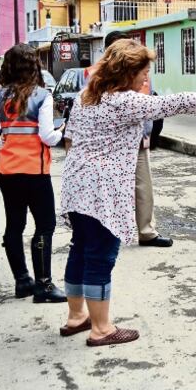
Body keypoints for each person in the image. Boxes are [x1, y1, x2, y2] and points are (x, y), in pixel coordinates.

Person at [59, 39, 196, 346]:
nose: (146, 78)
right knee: (100, 255)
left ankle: (76, 317)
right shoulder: (123, 101)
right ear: (127, 72)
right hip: (101, 188)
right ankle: (101, 328)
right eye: (143, 72)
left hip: (76, 183)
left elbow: (68, 139)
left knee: (81, 246)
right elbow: (172, 104)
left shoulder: (87, 97)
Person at [0, 44, 66, 303]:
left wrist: (1, 129)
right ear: (34, 66)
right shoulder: (41, 96)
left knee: (15, 225)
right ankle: (44, 286)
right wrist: (63, 131)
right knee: (45, 226)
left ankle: (23, 281)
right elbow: (48, 137)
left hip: (8, 170)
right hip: (34, 171)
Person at [82, 31, 172, 247]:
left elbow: (153, 103)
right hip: (108, 144)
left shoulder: (140, 70)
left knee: (143, 186)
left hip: (139, 139)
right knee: (106, 188)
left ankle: (146, 231)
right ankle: (102, 230)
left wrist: (151, 131)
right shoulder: (93, 74)